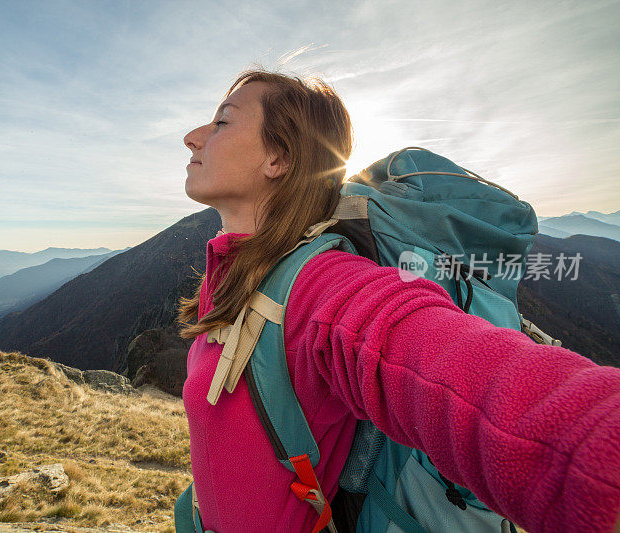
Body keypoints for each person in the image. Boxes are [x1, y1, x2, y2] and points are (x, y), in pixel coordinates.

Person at [177, 68, 620, 532]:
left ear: (279, 158)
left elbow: (459, 375)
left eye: (223, 122)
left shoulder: (321, 286)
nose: (193, 137)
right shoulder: (234, 276)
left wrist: (596, 452)